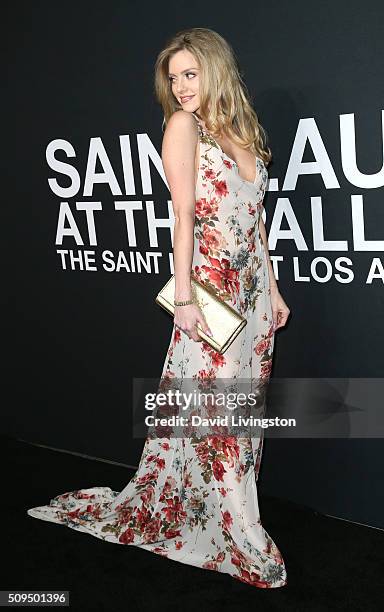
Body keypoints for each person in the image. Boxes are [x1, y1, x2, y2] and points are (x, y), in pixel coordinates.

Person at [27, 27, 290, 589]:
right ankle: (238, 529)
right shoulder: (182, 127)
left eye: (190, 74)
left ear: (215, 70)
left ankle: (225, 512)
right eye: (173, 78)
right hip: (211, 297)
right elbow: (184, 216)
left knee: (242, 417)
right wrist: (185, 297)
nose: (181, 86)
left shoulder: (243, 131)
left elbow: (256, 223)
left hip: (250, 297)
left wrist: (272, 289)